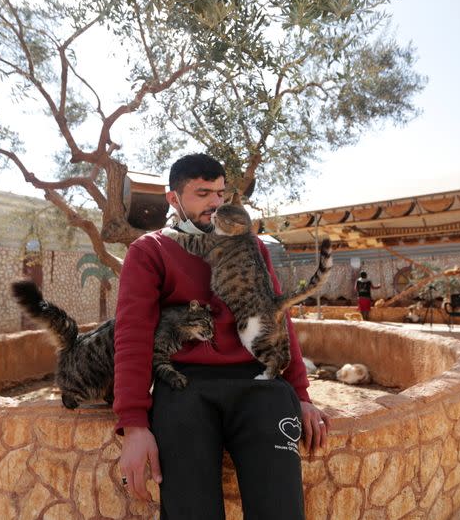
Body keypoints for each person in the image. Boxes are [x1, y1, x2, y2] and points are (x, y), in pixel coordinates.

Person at [113, 153, 330, 519]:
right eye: (202, 193)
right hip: (185, 387)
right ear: (174, 199)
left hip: (259, 385)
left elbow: (277, 315)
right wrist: (133, 424)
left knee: (281, 508)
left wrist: (301, 394)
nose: (215, 203)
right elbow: (132, 334)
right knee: (191, 510)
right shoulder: (150, 251)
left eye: (220, 193)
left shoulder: (253, 244)